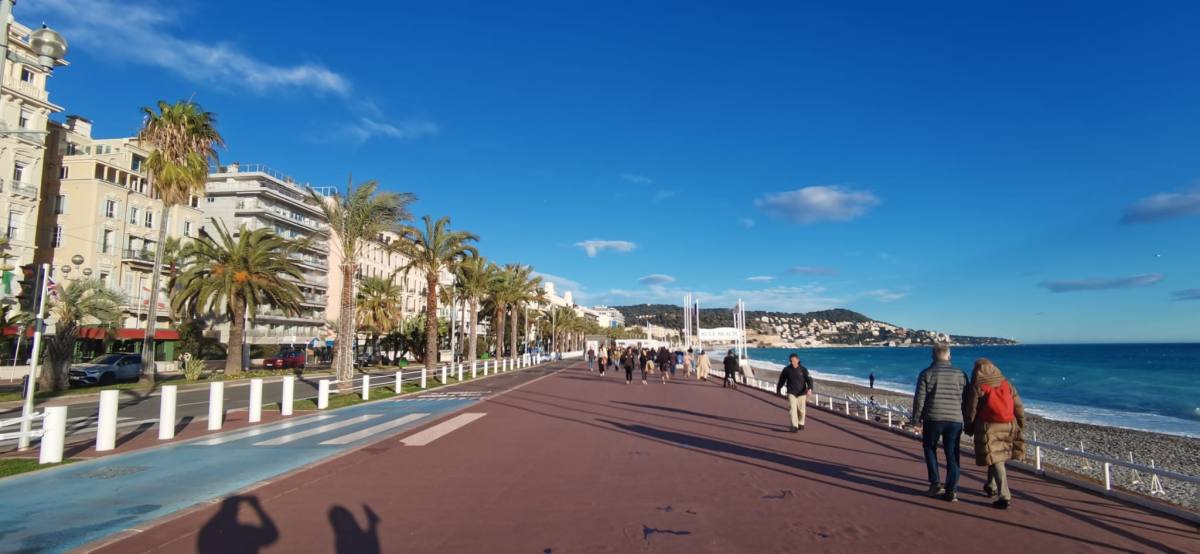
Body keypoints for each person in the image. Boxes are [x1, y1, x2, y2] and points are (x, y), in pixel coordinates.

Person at [965, 358, 1026, 510]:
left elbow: (971, 409)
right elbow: (1018, 405)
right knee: (996, 456)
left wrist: (969, 426)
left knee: (997, 460)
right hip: (1008, 424)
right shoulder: (1006, 384)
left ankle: (1005, 496)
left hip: (988, 427)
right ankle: (990, 485)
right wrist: (1021, 423)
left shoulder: (979, 387)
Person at [912, 344, 970, 502]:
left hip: (933, 418)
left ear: (933, 356)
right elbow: (967, 400)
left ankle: (935, 483)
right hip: (955, 419)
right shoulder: (961, 374)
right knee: (952, 453)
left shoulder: (926, 373)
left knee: (930, 448)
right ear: (949, 356)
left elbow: (920, 400)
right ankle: (952, 489)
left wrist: (916, 420)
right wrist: (967, 418)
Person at [776, 353, 814, 432]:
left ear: (798, 360)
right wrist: (778, 389)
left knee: (801, 410)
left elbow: (809, 380)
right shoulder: (786, 369)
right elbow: (781, 380)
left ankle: (801, 423)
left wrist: (810, 389)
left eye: (794, 360)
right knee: (792, 409)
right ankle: (794, 426)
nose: (792, 362)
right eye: (791, 361)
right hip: (791, 392)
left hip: (802, 392)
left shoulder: (803, 369)